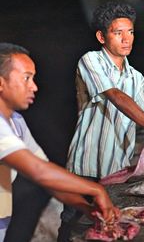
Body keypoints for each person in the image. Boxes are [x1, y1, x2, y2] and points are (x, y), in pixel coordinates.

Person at [58, 1, 144, 241]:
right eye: (117, 33)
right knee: (72, 225)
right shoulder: (91, 61)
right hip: (85, 166)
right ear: (101, 36)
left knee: (109, 227)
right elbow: (116, 96)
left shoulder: (136, 77)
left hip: (116, 171)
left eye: (130, 32)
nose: (126, 39)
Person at [0, 42, 119, 242]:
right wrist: (96, 189)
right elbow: (40, 172)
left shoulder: (16, 123)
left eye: (34, 78)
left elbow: (47, 177)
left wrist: (86, 208)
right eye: (26, 78)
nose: (34, 87)